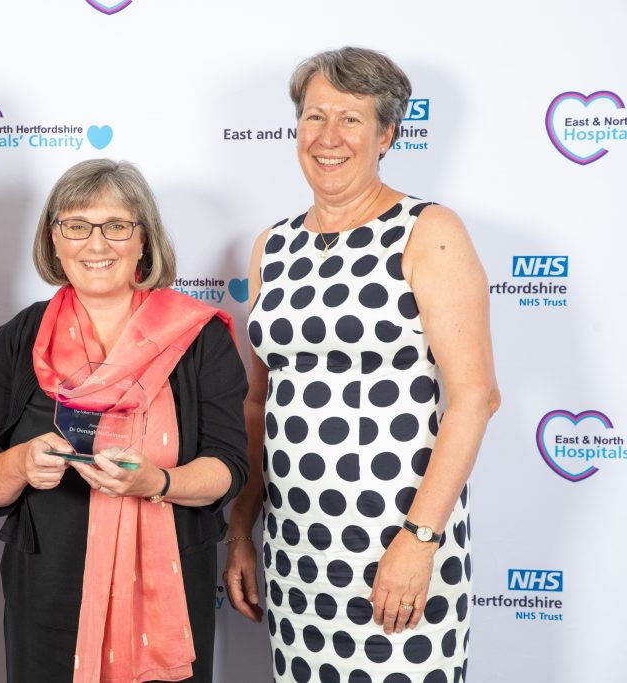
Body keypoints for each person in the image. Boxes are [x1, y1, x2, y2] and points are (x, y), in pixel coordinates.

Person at [224, 47, 501, 683]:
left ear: (387, 135)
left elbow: (475, 397)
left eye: (351, 119)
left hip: (396, 541)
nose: (328, 138)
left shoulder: (427, 231)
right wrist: (242, 527)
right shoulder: (275, 244)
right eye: (315, 116)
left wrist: (420, 540)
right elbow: (257, 402)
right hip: (295, 547)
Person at [0, 159, 248, 683]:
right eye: (76, 225)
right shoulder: (16, 341)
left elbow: (229, 468)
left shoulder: (200, 338)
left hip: (169, 588)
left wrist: (156, 482)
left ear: (143, 241)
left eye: (116, 226)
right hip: (48, 592)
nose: (97, 244)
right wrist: (21, 463)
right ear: (54, 240)